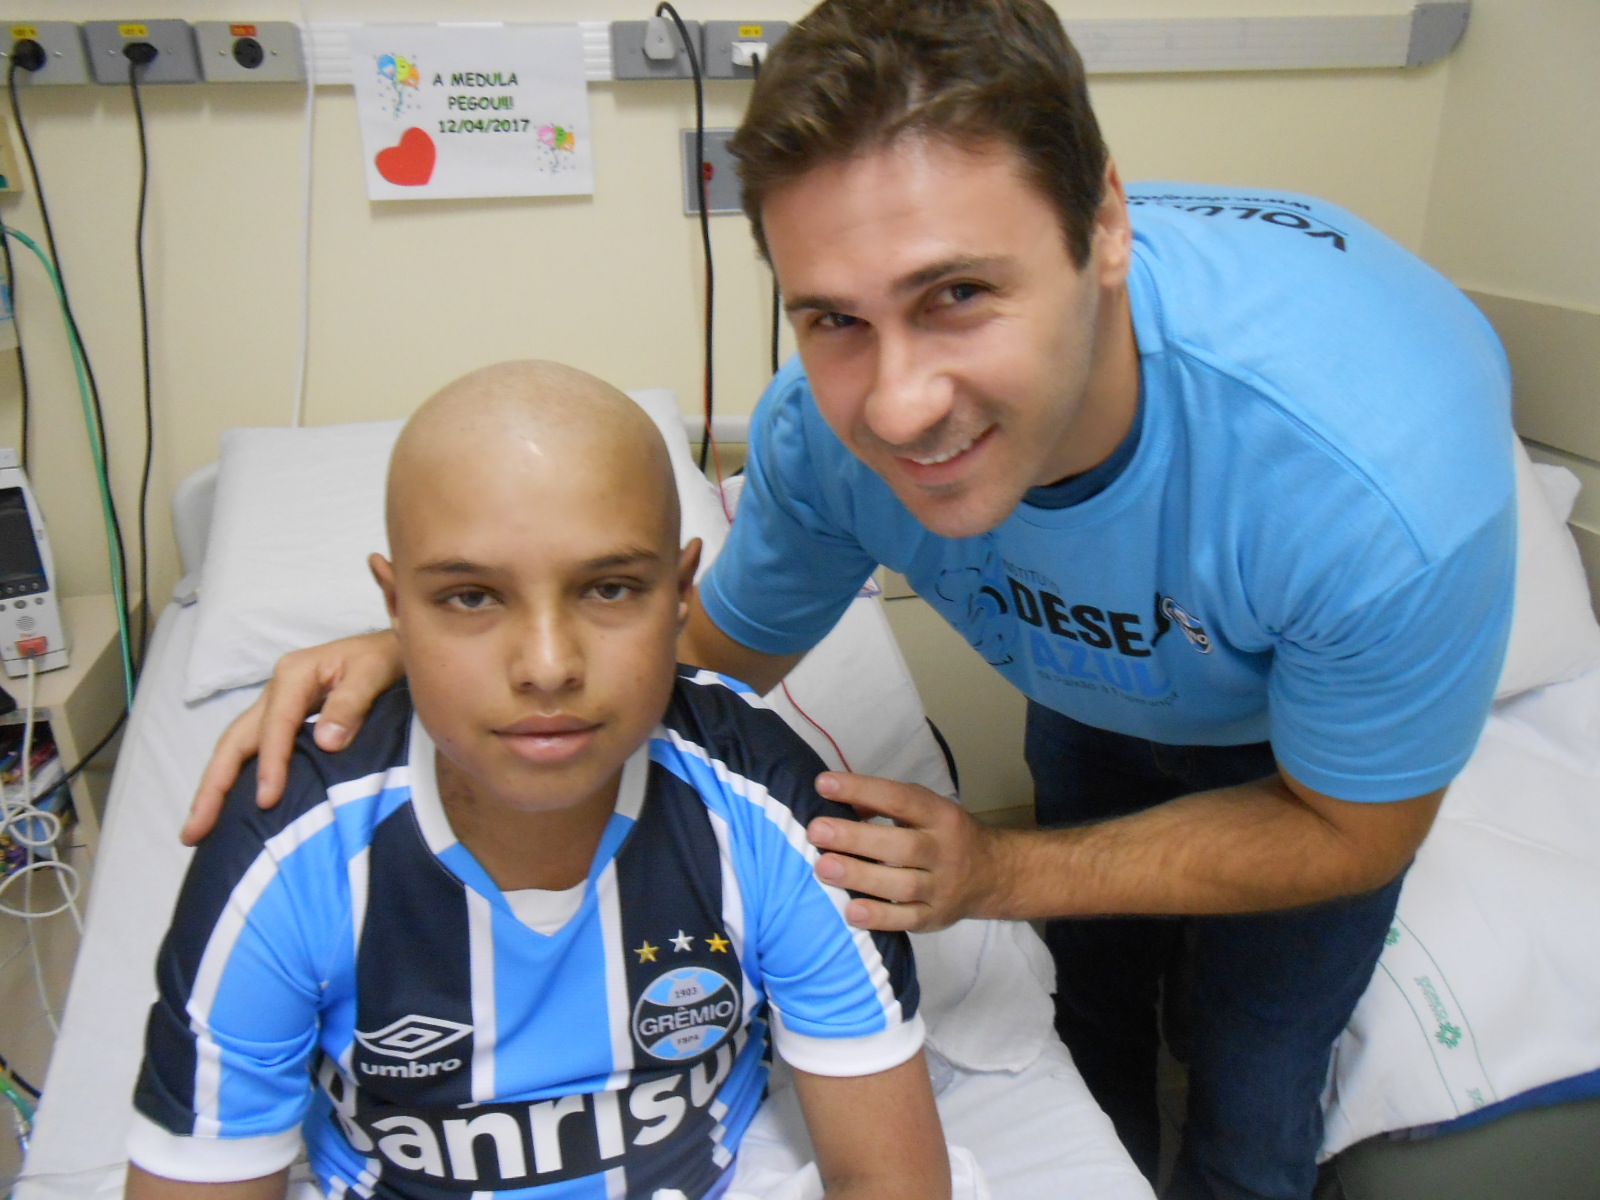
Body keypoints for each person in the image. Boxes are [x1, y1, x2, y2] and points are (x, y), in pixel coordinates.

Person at [182, 2, 1517, 1197]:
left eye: (958, 296)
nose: (899, 404)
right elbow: (705, 654)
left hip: (1307, 752)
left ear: (1105, 225)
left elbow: (1352, 827)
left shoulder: (1369, 489)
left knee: (1252, 1068)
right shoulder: (824, 444)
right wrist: (443, 638)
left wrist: (998, 869)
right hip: (1098, 681)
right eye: (833, 319)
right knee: (1091, 994)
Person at [131, 362, 949, 1200]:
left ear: (678, 593)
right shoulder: (290, 849)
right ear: (394, 608)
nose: (549, 667)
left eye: (609, 588)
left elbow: (890, 1180)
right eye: (472, 598)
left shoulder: (766, 810)